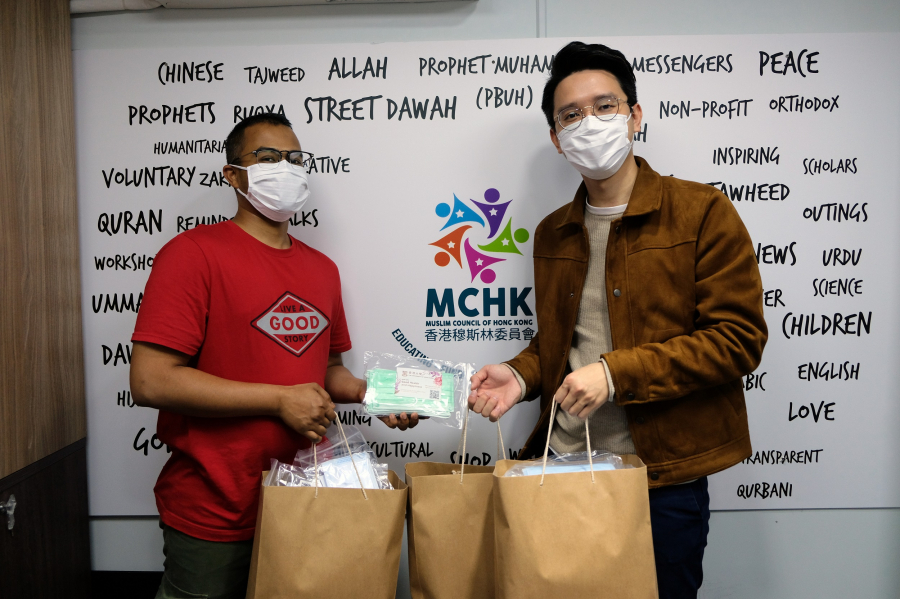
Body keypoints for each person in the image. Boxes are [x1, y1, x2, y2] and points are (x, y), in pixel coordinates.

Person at [467, 42, 767, 598]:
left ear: (635, 115)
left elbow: (737, 340)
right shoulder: (553, 231)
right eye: (571, 115)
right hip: (561, 466)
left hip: (661, 480)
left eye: (605, 106)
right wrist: (521, 375)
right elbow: (563, 339)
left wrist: (614, 373)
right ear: (557, 139)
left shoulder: (702, 211)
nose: (590, 122)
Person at [130, 113, 418, 599]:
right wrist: (278, 399)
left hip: (307, 502)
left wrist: (374, 394)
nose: (285, 168)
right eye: (267, 158)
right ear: (233, 175)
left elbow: (328, 371)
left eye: (294, 159)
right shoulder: (192, 253)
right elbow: (150, 380)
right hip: (215, 509)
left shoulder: (322, 270)